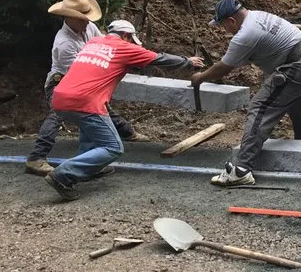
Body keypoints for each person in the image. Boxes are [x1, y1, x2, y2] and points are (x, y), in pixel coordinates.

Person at [45, 20, 204, 201]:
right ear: (126, 36)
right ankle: (63, 175)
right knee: (113, 147)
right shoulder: (124, 47)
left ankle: (88, 168)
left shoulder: (94, 42)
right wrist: (188, 62)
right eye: (131, 39)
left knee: (88, 126)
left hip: (60, 96)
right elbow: (158, 59)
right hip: (85, 101)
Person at [191, 0, 301, 187]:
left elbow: (224, 67)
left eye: (223, 26)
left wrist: (200, 77)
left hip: (300, 65)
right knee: (294, 100)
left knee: (260, 106)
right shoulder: (257, 16)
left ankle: (242, 170)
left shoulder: (245, 34)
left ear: (231, 20)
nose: (224, 31)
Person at [25, 0, 148, 177]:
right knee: (58, 114)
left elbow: (105, 46)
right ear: (70, 18)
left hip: (81, 83)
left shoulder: (89, 27)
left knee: (99, 107)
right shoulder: (64, 43)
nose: (87, 22)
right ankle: (36, 157)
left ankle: (125, 132)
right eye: (83, 18)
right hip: (63, 81)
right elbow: (79, 72)